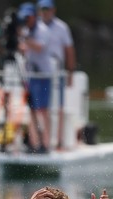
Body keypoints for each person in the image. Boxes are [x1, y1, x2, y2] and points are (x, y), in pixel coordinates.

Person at [37, 0, 76, 149]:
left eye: (47, 9)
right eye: (42, 9)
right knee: (40, 107)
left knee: (59, 107)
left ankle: (59, 141)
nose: (45, 12)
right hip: (39, 72)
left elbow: (69, 49)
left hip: (56, 71)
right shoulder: (35, 27)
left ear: (53, 10)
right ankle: (42, 140)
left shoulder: (61, 27)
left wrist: (70, 71)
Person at [17, 2, 52, 153]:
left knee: (42, 110)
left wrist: (24, 39)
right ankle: (34, 143)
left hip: (43, 75)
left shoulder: (43, 30)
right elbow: (24, 49)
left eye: (28, 17)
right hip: (30, 75)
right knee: (31, 110)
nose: (26, 20)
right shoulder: (25, 31)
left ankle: (46, 143)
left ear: (34, 17)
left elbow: (39, 47)